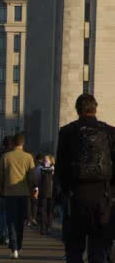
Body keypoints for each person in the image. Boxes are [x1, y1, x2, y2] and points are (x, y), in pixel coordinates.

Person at [55, 94, 115, 263]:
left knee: (74, 249)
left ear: (77, 110)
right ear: (95, 109)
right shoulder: (109, 131)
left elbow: (61, 167)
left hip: (76, 197)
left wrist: (64, 193)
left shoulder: (67, 131)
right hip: (102, 199)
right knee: (98, 249)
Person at [0, 133, 36, 259]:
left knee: (11, 221)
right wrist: (33, 189)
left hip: (9, 194)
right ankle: (19, 245)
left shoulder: (6, 157)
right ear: (23, 143)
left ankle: (14, 249)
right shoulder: (29, 157)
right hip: (24, 194)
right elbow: (32, 176)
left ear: (12, 143)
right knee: (20, 221)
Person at [38, 154, 55, 235]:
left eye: (46, 159)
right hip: (48, 192)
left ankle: (45, 228)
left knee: (46, 210)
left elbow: (37, 178)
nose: (45, 161)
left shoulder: (41, 168)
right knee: (46, 211)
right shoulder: (53, 169)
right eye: (44, 159)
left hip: (46, 192)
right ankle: (46, 227)